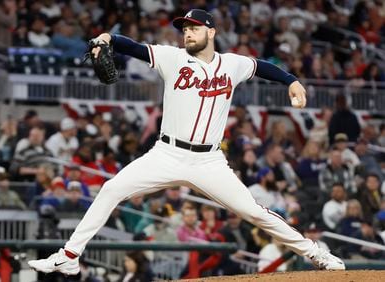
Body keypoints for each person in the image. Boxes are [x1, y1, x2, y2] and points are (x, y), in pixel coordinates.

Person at [28, 9, 345, 274]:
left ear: (211, 32)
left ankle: (318, 254)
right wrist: (106, 38)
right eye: (184, 29)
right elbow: (133, 47)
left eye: (194, 28)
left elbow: (261, 66)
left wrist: (292, 81)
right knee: (111, 189)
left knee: (256, 213)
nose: (187, 34)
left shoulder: (232, 63)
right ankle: (69, 257)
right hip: (166, 153)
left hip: (209, 162)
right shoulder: (172, 58)